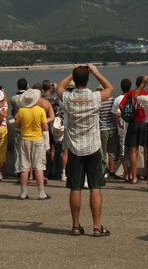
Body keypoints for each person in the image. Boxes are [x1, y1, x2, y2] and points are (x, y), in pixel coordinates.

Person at [58, 64, 114, 235]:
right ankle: (97, 225)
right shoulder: (95, 97)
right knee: (95, 186)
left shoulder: (67, 98)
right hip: (93, 146)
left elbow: (59, 87)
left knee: (75, 187)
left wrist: (72, 73)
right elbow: (110, 88)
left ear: (74, 80)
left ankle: (76, 225)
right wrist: (96, 72)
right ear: (88, 79)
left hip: (75, 147)